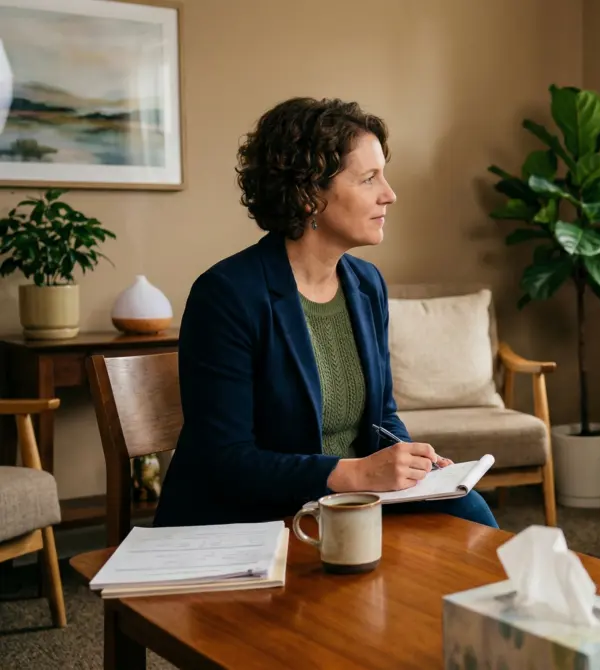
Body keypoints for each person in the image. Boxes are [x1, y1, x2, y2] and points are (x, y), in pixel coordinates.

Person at [154, 97, 497, 529]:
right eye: (369, 179)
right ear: (309, 193)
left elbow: (382, 415)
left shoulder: (366, 284)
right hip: (257, 517)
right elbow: (227, 460)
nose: (389, 194)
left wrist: (413, 464)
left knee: (469, 513)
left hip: (351, 503)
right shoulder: (226, 295)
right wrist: (351, 473)